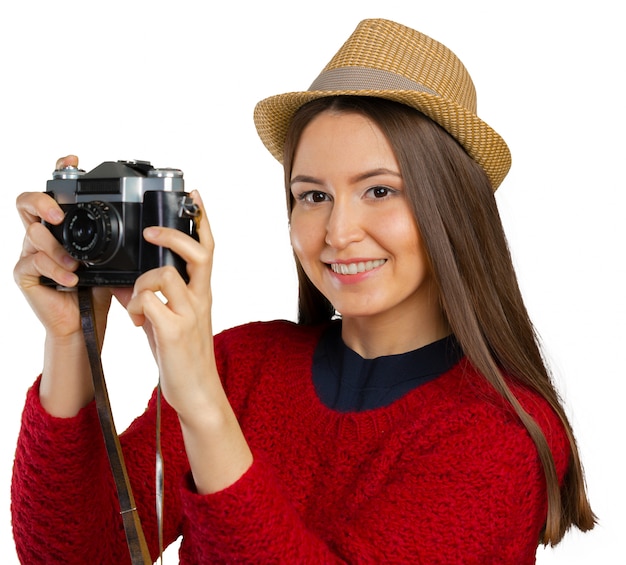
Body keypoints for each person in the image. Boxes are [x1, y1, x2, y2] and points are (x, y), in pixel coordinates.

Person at [12, 18, 595, 564]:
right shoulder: (243, 366)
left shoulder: (500, 434)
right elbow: (73, 552)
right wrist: (69, 340)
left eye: (379, 191)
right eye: (313, 196)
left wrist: (206, 412)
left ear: (453, 208)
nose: (338, 233)